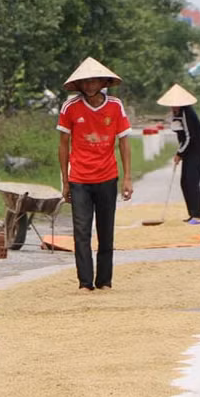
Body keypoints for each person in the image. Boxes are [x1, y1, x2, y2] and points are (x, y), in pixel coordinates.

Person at [57, 57, 133, 291]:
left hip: (107, 177)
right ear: (79, 85)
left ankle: (105, 281)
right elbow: (63, 146)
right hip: (79, 178)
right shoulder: (70, 107)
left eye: (94, 81)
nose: (90, 86)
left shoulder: (115, 106)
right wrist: (65, 181)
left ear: (102, 82)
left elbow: (124, 143)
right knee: (81, 231)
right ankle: (85, 282)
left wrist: (127, 177)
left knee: (105, 230)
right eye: (85, 82)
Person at [157, 84, 200, 224]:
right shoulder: (176, 114)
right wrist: (181, 151)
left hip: (196, 149)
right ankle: (191, 213)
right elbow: (182, 136)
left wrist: (179, 153)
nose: (173, 107)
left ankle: (197, 215)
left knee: (192, 181)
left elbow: (190, 137)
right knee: (184, 182)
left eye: (175, 105)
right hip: (188, 149)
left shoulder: (187, 113)